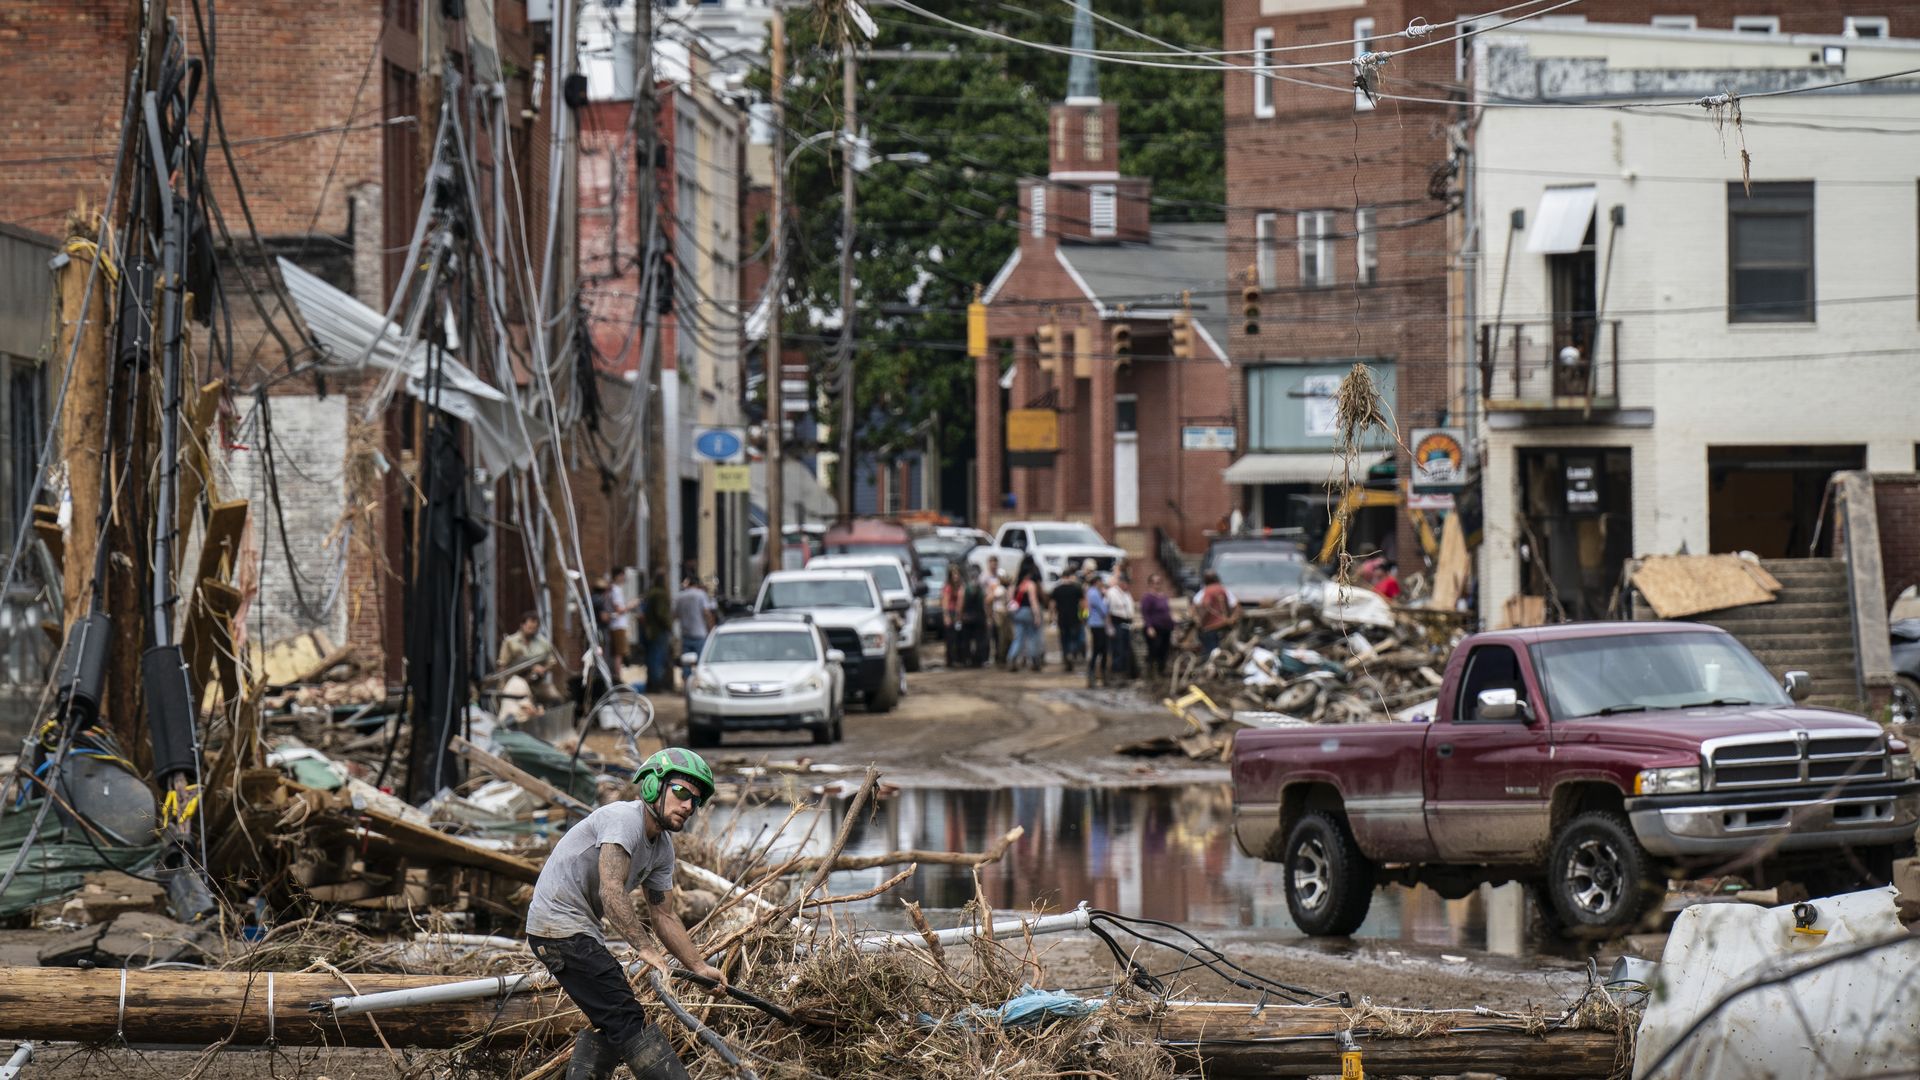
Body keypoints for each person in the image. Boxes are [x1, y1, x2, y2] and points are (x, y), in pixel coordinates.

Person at [526, 748, 724, 1080]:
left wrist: (698, 966)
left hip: (575, 932)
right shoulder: (623, 820)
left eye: (696, 800)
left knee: (613, 1022)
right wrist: (646, 950)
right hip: (557, 927)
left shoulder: (662, 849)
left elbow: (664, 915)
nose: (689, 805)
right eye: (681, 792)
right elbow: (611, 889)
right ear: (651, 786)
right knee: (627, 1016)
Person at [498, 612, 565, 704]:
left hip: (536, 683)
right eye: (529, 628)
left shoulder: (543, 643)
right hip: (516, 681)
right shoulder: (510, 642)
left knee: (555, 698)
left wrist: (543, 669)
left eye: (534, 628)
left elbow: (552, 662)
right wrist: (504, 685)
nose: (532, 631)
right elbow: (503, 665)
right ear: (522, 625)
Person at [673, 575, 717, 681]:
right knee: (701, 662)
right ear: (697, 584)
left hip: (685, 634)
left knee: (686, 663)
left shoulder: (680, 596)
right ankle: (699, 684)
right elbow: (706, 612)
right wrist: (712, 628)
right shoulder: (701, 595)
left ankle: (686, 685)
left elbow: (675, 615)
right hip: (700, 634)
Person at [642, 572, 674, 692]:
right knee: (658, 658)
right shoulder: (660, 594)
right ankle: (657, 685)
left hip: (649, 630)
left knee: (651, 658)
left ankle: (651, 683)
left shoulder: (650, 593)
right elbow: (662, 614)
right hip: (659, 631)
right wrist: (669, 626)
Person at [1194, 569, 1238, 657]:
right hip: (1224, 625)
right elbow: (1236, 606)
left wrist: (1199, 621)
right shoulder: (1223, 590)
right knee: (1223, 648)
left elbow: (1200, 605)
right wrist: (1232, 619)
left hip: (1209, 627)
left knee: (1210, 651)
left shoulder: (1205, 591)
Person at [1007, 569, 1044, 672]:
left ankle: (1012, 658)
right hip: (1028, 612)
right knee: (1032, 637)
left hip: (1017, 613)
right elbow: (1033, 601)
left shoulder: (1015, 585)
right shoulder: (1030, 585)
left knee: (1018, 638)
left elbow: (1010, 600)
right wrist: (1037, 615)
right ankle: (1034, 661)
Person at [1050, 570, 1085, 673]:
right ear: (1070, 576)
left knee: (1064, 639)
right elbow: (1083, 604)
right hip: (1075, 618)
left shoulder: (1057, 589)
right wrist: (1084, 616)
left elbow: (1052, 605)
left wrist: (1052, 617)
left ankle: (1066, 654)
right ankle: (1072, 653)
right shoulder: (1077, 589)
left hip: (1062, 619)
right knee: (1073, 638)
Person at [1141, 574, 1175, 679]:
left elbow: (1167, 612)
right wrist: (1149, 627)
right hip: (1155, 628)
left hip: (1166, 628)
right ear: (1150, 584)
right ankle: (1151, 673)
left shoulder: (1163, 597)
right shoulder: (1148, 598)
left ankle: (1161, 671)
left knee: (1164, 650)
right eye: (1155, 583)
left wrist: (1173, 624)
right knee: (1154, 649)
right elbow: (1146, 614)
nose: (1157, 585)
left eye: (1159, 582)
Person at [1106, 574, 1138, 681]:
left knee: (1126, 649)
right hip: (1116, 622)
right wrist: (1109, 626)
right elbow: (1107, 611)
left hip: (1126, 623)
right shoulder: (1111, 593)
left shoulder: (1126, 594)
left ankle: (1124, 672)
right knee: (1117, 649)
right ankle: (1116, 673)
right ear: (1121, 582)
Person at [959, 564, 989, 667]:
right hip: (978, 617)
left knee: (967, 640)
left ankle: (968, 660)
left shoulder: (965, 588)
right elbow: (985, 604)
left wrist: (960, 616)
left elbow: (960, 603)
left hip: (969, 617)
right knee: (979, 640)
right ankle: (977, 660)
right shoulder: (980, 589)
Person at [1085, 572, 1111, 688]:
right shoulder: (1094, 593)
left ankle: (1097, 675)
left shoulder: (1091, 592)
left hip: (1095, 624)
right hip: (1097, 624)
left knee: (1100, 650)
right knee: (1099, 650)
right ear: (1097, 582)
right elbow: (1103, 609)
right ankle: (1096, 675)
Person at [607, 568, 634, 669]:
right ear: (618, 576)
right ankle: (618, 677)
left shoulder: (612, 589)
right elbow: (619, 609)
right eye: (622, 575)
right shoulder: (616, 590)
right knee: (619, 654)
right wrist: (631, 606)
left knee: (617, 654)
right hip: (618, 625)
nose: (624, 578)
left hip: (615, 625)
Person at [941, 564, 965, 668]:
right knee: (950, 639)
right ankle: (950, 660)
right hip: (950, 613)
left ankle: (959, 658)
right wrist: (946, 616)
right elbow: (945, 602)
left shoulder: (961, 586)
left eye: (957, 574)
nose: (956, 576)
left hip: (958, 613)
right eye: (953, 574)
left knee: (959, 637)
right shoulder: (948, 588)